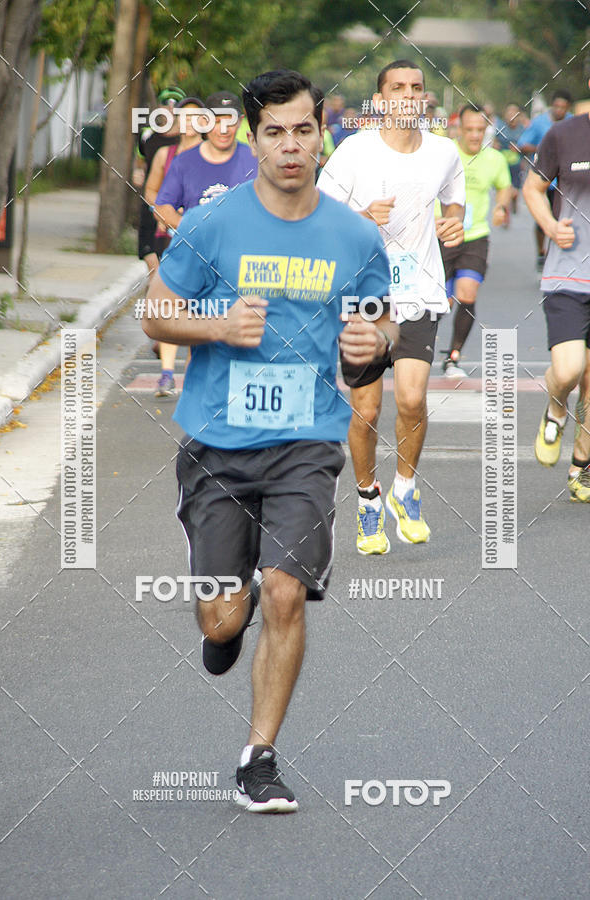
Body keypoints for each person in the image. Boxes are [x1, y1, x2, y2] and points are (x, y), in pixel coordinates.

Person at [142, 69, 396, 811]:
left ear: (323, 135)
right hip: (218, 441)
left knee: (286, 593)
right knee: (225, 613)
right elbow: (155, 314)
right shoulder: (213, 225)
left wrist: (371, 344)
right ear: (253, 140)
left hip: (307, 443)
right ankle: (227, 618)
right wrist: (217, 327)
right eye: (275, 132)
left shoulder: (354, 237)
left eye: (304, 130)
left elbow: (381, 324)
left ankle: (259, 755)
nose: (291, 146)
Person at [318, 59, 465, 554]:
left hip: (419, 293)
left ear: (426, 98)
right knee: (366, 409)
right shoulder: (353, 152)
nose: (408, 95)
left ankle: (405, 487)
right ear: (379, 101)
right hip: (362, 298)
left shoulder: (444, 152)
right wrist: (360, 217)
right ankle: (366, 498)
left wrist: (454, 222)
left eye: (417, 88)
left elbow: (454, 201)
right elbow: (318, 218)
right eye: (397, 88)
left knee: (410, 398)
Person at [522, 78, 590, 502]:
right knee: (568, 371)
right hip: (569, 274)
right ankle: (555, 407)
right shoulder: (564, 134)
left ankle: (581, 468)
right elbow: (532, 189)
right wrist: (550, 227)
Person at [440, 104, 512, 378]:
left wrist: (501, 207)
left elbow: (505, 187)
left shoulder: (495, 159)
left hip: (476, 236)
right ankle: (419, 352)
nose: (474, 135)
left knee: (467, 293)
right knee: (441, 302)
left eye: (480, 130)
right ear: (458, 128)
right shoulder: (444, 154)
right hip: (442, 235)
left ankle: (453, 357)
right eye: (469, 129)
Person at [144, 96, 204, 398]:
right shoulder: (165, 155)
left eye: (197, 117)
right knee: (169, 304)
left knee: (198, 310)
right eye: (185, 117)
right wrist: (163, 211)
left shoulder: (213, 156)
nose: (190, 123)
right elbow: (152, 190)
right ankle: (166, 374)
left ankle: (193, 376)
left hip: (203, 243)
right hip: (169, 238)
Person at [153, 91, 256, 232]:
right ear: (204, 122)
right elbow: (162, 207)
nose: (223, 130)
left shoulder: (255, 159)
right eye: (217, 122)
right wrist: (191, 229)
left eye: (230, 122)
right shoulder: (184, 162)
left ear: (240, 121)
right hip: (197, 251)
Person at [518, 90, 573, 269]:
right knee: (543, 219)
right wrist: (543, 148)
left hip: (567, 182)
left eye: (563, 108)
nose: (559, 110)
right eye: (556, 106)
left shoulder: (574, 123)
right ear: (551, 106)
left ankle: (559, 256)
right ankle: (541, 252)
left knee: (564, 219)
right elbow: (522, 145)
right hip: (545, 180)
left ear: (568, 108)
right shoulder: (540, 123)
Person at [134, 86, 185, 278]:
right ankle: (156, 302)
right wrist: (138, 172)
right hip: (150, 205)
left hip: (177, 209)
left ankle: (165, 302)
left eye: (176, 105)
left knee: (170, 270)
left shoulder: (187, 139)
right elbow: (140, 161)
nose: (170, 108)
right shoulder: (147, 135)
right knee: (152, 264)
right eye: (166, 103)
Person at [495, 103, 527, 213]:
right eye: (509, 112)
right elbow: (494, 143)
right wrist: (496, 146)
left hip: (516, 165)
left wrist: (519, 148)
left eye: (514, 113)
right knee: (505, 188)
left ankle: (513, 200)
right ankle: (505, 209)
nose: (511, 115)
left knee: (514, 191)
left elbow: (528, 148)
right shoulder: (500, 128)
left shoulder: (523, 130)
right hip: (503, 163)